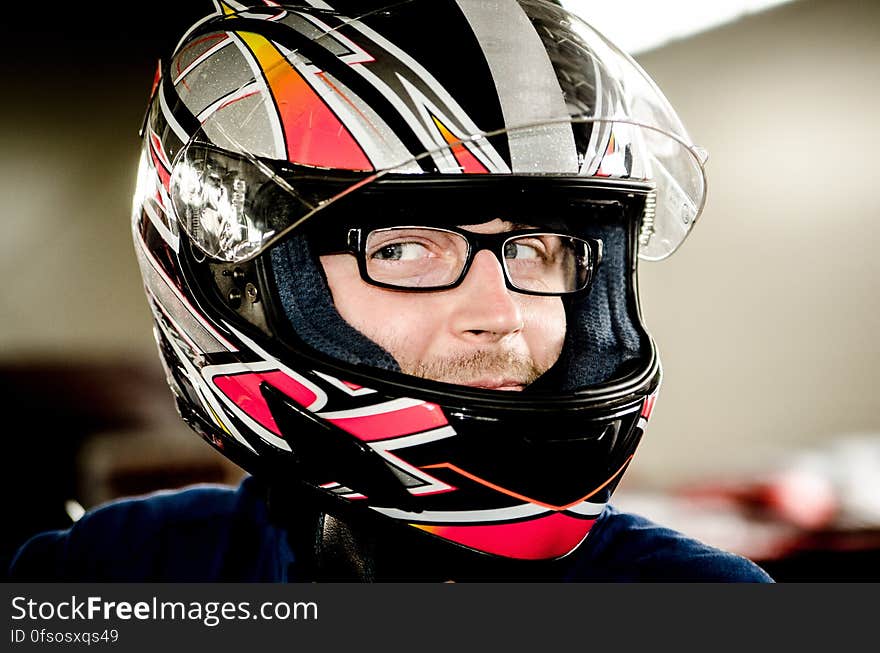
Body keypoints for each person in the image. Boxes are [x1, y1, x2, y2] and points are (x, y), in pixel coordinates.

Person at [8, 0, 773, 582]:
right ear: (245, 283)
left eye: (539, 250)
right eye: (406, 249)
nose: (502, 314)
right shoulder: (116, 572)